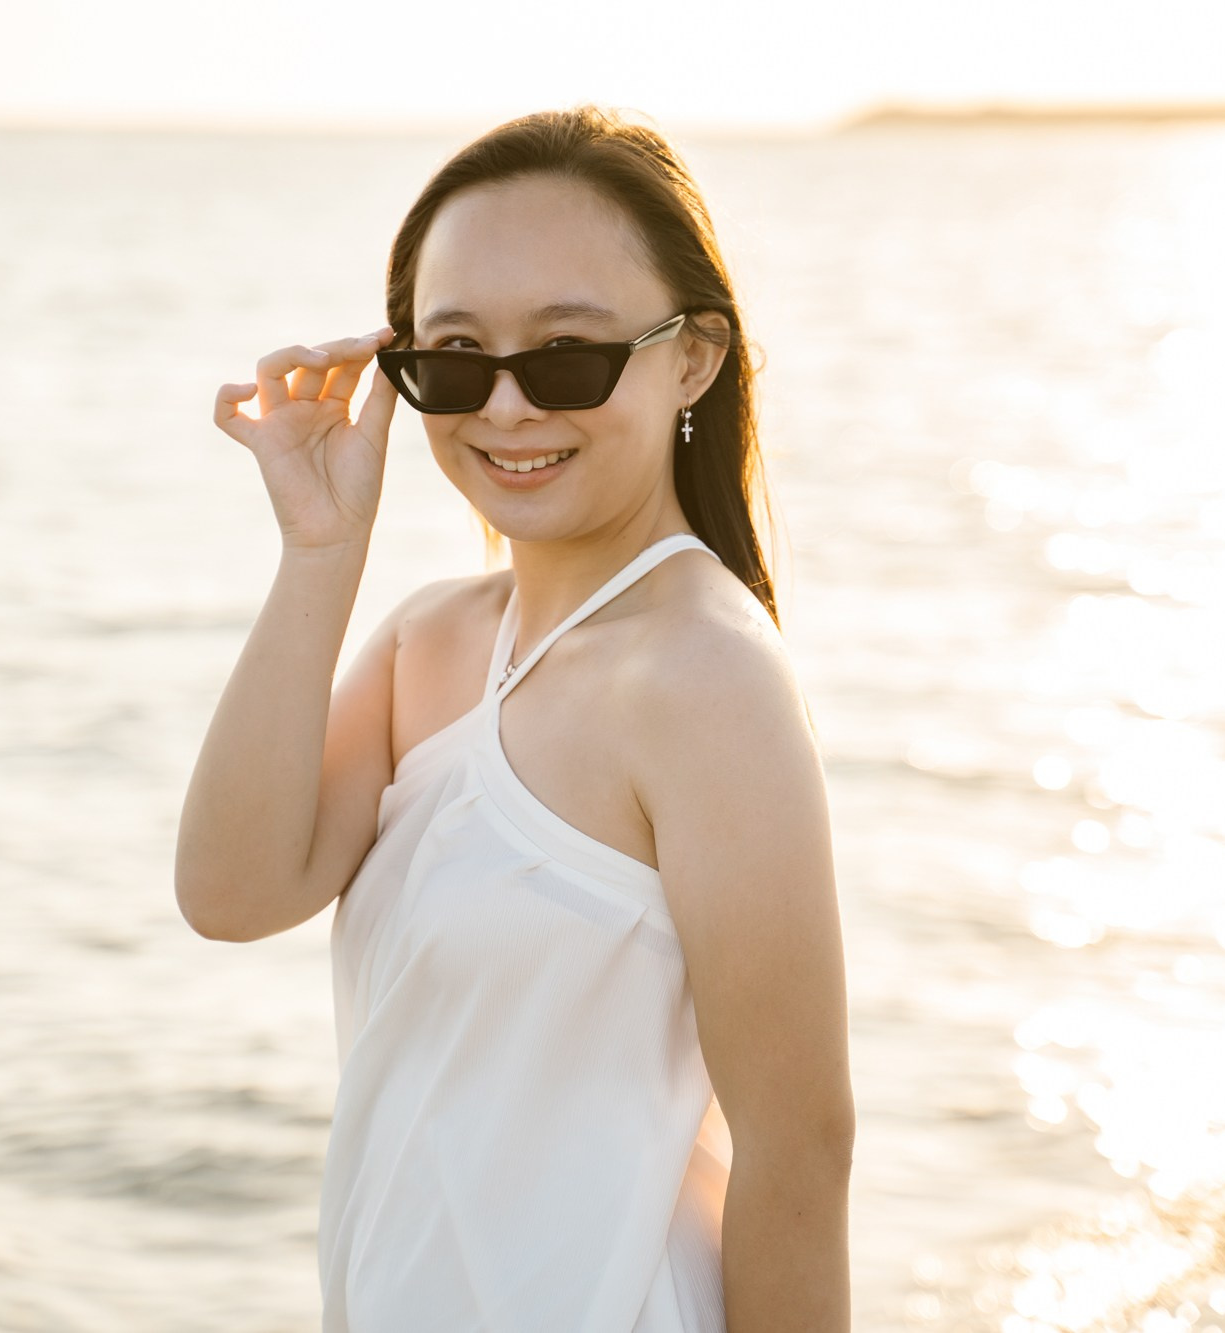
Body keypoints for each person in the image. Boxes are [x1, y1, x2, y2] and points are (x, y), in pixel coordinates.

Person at [176, 105, 853, 1332]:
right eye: (450, 359)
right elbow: (230, 892)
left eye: (566, 356)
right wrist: (319, 550)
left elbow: (799, 1153)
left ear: (692, 357)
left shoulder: (704, 682)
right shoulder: (429, 640)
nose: (504, 407)